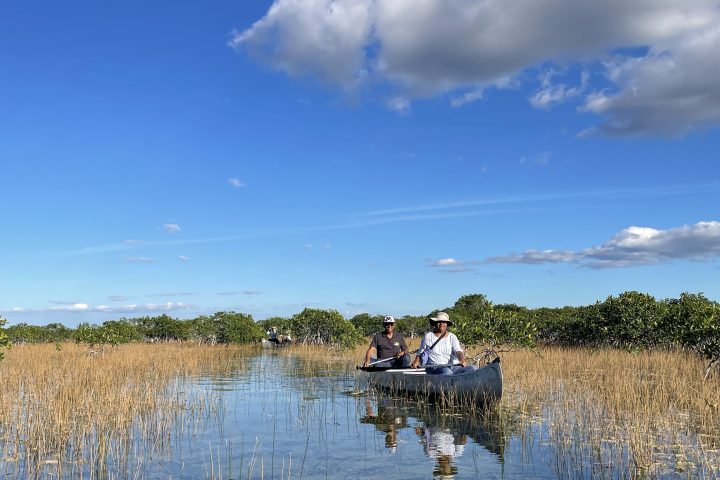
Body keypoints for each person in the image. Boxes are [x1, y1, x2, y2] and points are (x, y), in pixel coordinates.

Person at [410, 312, 477, 375]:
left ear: (447, 324)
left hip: (452, 366)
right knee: (447, 372)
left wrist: (462, 360)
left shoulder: (452, 337)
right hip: (434, 367)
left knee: (473, 368)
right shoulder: (428, 336)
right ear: (435, 323)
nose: (442, 323)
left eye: (444, 322)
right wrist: (416, 362)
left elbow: (458, 351)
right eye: (439, 322)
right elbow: (420, 353)